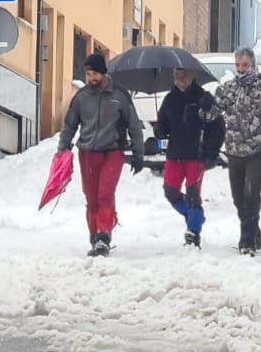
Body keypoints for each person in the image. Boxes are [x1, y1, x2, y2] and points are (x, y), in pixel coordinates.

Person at [57, 52, 143, 257]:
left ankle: (104, 236)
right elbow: (70, 125)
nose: (91, 78)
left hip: (113, 151)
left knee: (105, 193)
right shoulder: (81, 97)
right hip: (87, 152)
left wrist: (139, 153)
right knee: (92, 197)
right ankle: (95, 236)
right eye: (88, 74)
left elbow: (134, 125)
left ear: (104, 73)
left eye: (95, 73)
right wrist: (62, 148)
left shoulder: (120, 95)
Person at [213, 47, 261, 255]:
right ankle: (254, 232)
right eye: (238, 65)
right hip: (234, 149)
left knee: (251, 192)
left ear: (253, 64)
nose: (241, 70)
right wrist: (205, 105)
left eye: (245, 65)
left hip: (259, 149)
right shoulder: (227, 89)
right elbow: (210, 115)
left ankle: (246, 239)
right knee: (238, 196)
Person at [153, 67, 226, 247]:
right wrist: (159, 130)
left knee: (193, 194)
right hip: (175, 154)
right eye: (177, 76)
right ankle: (195, 217)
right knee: (170, 191)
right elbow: (163, 124)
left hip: (196, 155)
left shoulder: (203, 98)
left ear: (192, 76)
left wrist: (211, 153)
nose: (180, 80)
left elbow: (217, 128)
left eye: (184, 76)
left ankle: (193, 233)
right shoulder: (170, 99)